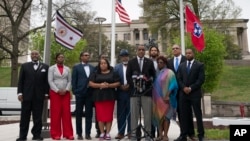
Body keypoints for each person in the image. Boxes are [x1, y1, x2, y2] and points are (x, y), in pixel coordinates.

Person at [16, 50, 49, 141]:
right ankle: (22, 136)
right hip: (26, 96)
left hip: (39, 96)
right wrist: (20, 93)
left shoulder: (45, 67)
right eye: (33, 54)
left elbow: (46, 82)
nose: (34, 55)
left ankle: (37, 135)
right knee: (24, 117)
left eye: (36, 54)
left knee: (38, 117)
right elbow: (20, 81)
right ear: (31, 56)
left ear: (39, 55)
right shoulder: (24, 66)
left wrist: (46, 93)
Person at [126, 44, 156, 140]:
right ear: (136, 51)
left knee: (147, 115)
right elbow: (128, 76)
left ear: (145, 51)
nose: (141, 51)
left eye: (143, 49)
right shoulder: (131, 62)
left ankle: (148, 135)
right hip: (134, 93)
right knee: (134, 115)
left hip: (146, 93)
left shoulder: (149, 62)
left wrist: (146, 84)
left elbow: (153, 76)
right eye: (139, 49)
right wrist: (136, 86)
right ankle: (134, 135)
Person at [167, 45, 195, 141]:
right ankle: (183, 134)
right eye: (173, 48)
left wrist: (186, 87)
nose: (174, 49)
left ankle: (191, 133)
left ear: (180, 50)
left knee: (187, 113)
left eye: (176, 48)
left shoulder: (185, 59)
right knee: (180, 113)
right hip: (174, 92)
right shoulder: (169, 62)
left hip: (185, 90)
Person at [177, 48, 205, 141]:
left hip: (195, 94)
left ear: (193, 54)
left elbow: (201, 80)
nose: (188, 55)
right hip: (183, 94)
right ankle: (183, 135)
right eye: (187, 53)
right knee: (183, 115)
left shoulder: (200, 65)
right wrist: (184, 88)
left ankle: (201, 135)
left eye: (190, 53)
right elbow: (179, 79)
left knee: (198, 114)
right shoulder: (181, 66)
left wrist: (191, 88)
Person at [89, 58, 120, 140]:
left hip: (110, 97)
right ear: (99, 65)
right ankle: (102, 133)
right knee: (100, 116)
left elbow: (118, 83)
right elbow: (90, 83)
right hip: (98, 97)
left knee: (109, 116)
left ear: (108, 64)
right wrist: (100, 85)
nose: (103, 64)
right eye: (101, 63)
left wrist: (108, 85)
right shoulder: (95, 73)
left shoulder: (113, 73)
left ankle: (108, 133)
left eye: (105, 63)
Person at [48, 53, 74, 140]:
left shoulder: (67, 69)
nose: (61, 58)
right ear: (56, 59)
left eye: (62, 57)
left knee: (66, 113)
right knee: (56, 114)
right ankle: (56, 134)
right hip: (55, 93)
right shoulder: (52, 68)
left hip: (65, 93)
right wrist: (57, 90)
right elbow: (50, 81)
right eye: (59, 57)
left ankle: (68, 134)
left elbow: (70, 81)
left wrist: (66, 89)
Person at [152, 56, 178, 141]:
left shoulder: (169, 72)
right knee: (159, 117)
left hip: (167, 99)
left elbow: (173, 84)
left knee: (166, 118)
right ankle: (160, 135)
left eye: (161, 62)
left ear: (165, 63)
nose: (159, 64)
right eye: (158, 62)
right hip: (158, 99)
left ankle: (166, 135)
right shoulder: (156, 73)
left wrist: (167, 95)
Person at [71, 51, 95, 140]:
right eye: (85, 55)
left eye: (88, 55)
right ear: (81, 57)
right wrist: (75, 91)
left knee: (89, 114)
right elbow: (74, 80)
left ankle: (88, 133)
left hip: (90, 94)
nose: (87, 56)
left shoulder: (93, 68)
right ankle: (79, 133)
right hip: (80, 93)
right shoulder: (76, 67)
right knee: (78, 114)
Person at [114, 49, 131, 139]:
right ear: (120, 57)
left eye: (126, 56)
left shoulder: (132, 66)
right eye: (123, 56)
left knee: (130, 113)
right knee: (121, 113)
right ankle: (121, 132)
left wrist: (129, 85)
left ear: (128, 56)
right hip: (120, 93)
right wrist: (120, 86)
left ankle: (130, 132)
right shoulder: (116, 67)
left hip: (130, 92)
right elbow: (114, 79)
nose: (125, 57)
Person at [149, 45, 160, 138]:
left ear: (158, 52)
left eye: (155, 50)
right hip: (150, 91)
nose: (153, 52)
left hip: (160, 91)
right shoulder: (147, 62)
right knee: (151, 112)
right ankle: (152, 132)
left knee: (159, 112)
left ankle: (160, 132)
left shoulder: (161, 62)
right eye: (152, 50)